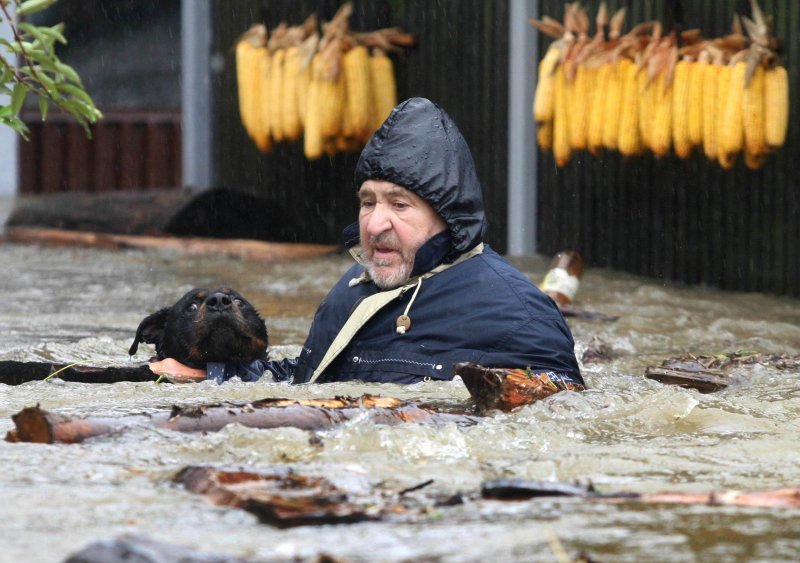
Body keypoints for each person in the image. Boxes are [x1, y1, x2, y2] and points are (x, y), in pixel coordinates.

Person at [150, 97, 583, 387]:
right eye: (367, 202)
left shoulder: (520, 316)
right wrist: (215, 375)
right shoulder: (352, 293)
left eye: (399, 204)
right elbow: (307, 379)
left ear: (447, 215)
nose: (375, 224)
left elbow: (565, 420)